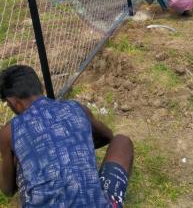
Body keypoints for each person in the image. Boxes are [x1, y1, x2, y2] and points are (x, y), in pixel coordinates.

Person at [0, 65, 133, 208]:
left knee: (21, 162)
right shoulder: (76, 108)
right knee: (122, 142)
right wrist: (78, 146)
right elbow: (108, 136)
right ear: (41, 87)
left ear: (13, 102)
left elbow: (8, 189)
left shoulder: (9, 131)